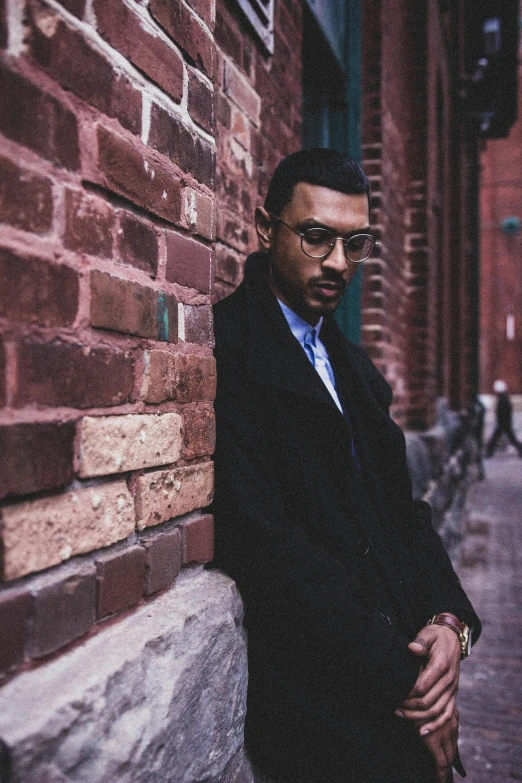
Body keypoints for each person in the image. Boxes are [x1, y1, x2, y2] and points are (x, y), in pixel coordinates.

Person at [211, 149, 481, 783]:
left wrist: (449, 625)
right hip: (320, 709)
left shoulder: (352, 367)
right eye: (316, 237)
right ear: (263, 226)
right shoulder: (232, 350)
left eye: (355, 244)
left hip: (395, 674)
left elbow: (404, 514)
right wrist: (414, 684)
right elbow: (270, 549)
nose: (337, 263)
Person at [485, 379, 522, 457]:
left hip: (502, 422)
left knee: (495, 438)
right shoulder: (505, 397)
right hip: (505, 422)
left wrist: (499, 420)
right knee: (511, 438)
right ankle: (489, 452)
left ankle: (489, 452)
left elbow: (502, 411)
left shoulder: (502, 398)